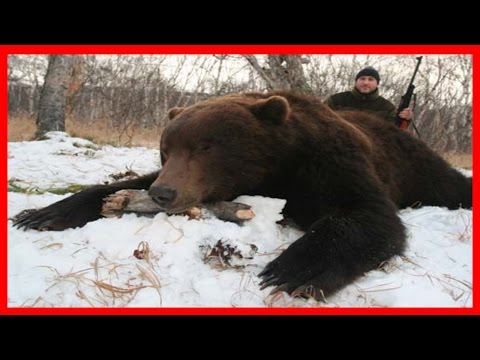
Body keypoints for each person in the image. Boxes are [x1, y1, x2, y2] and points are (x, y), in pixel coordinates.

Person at [324, 66, 412, 125]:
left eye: (370, 79)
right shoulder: (336, 100)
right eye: (362, 79)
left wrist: (406, 119)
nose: (366, 83)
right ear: (356, 81)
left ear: (377, 83)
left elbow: (395, 132)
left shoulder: (387, 108)